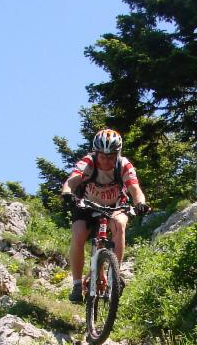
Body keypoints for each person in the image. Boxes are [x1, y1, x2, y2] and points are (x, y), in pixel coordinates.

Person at [61, 129, 149, 303]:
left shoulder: (123, 165)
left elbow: (135, 189)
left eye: (111, 156)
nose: (107, 161)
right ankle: (77, 285)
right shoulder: (88, 162)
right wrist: (67, 193)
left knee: (119, 224)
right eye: (103, 156)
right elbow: (72, 181)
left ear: (118, 154)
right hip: (87, 205)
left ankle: (114, 276)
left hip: (115, 206)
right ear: (96, 153)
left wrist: (140, 203)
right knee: (78, 235)